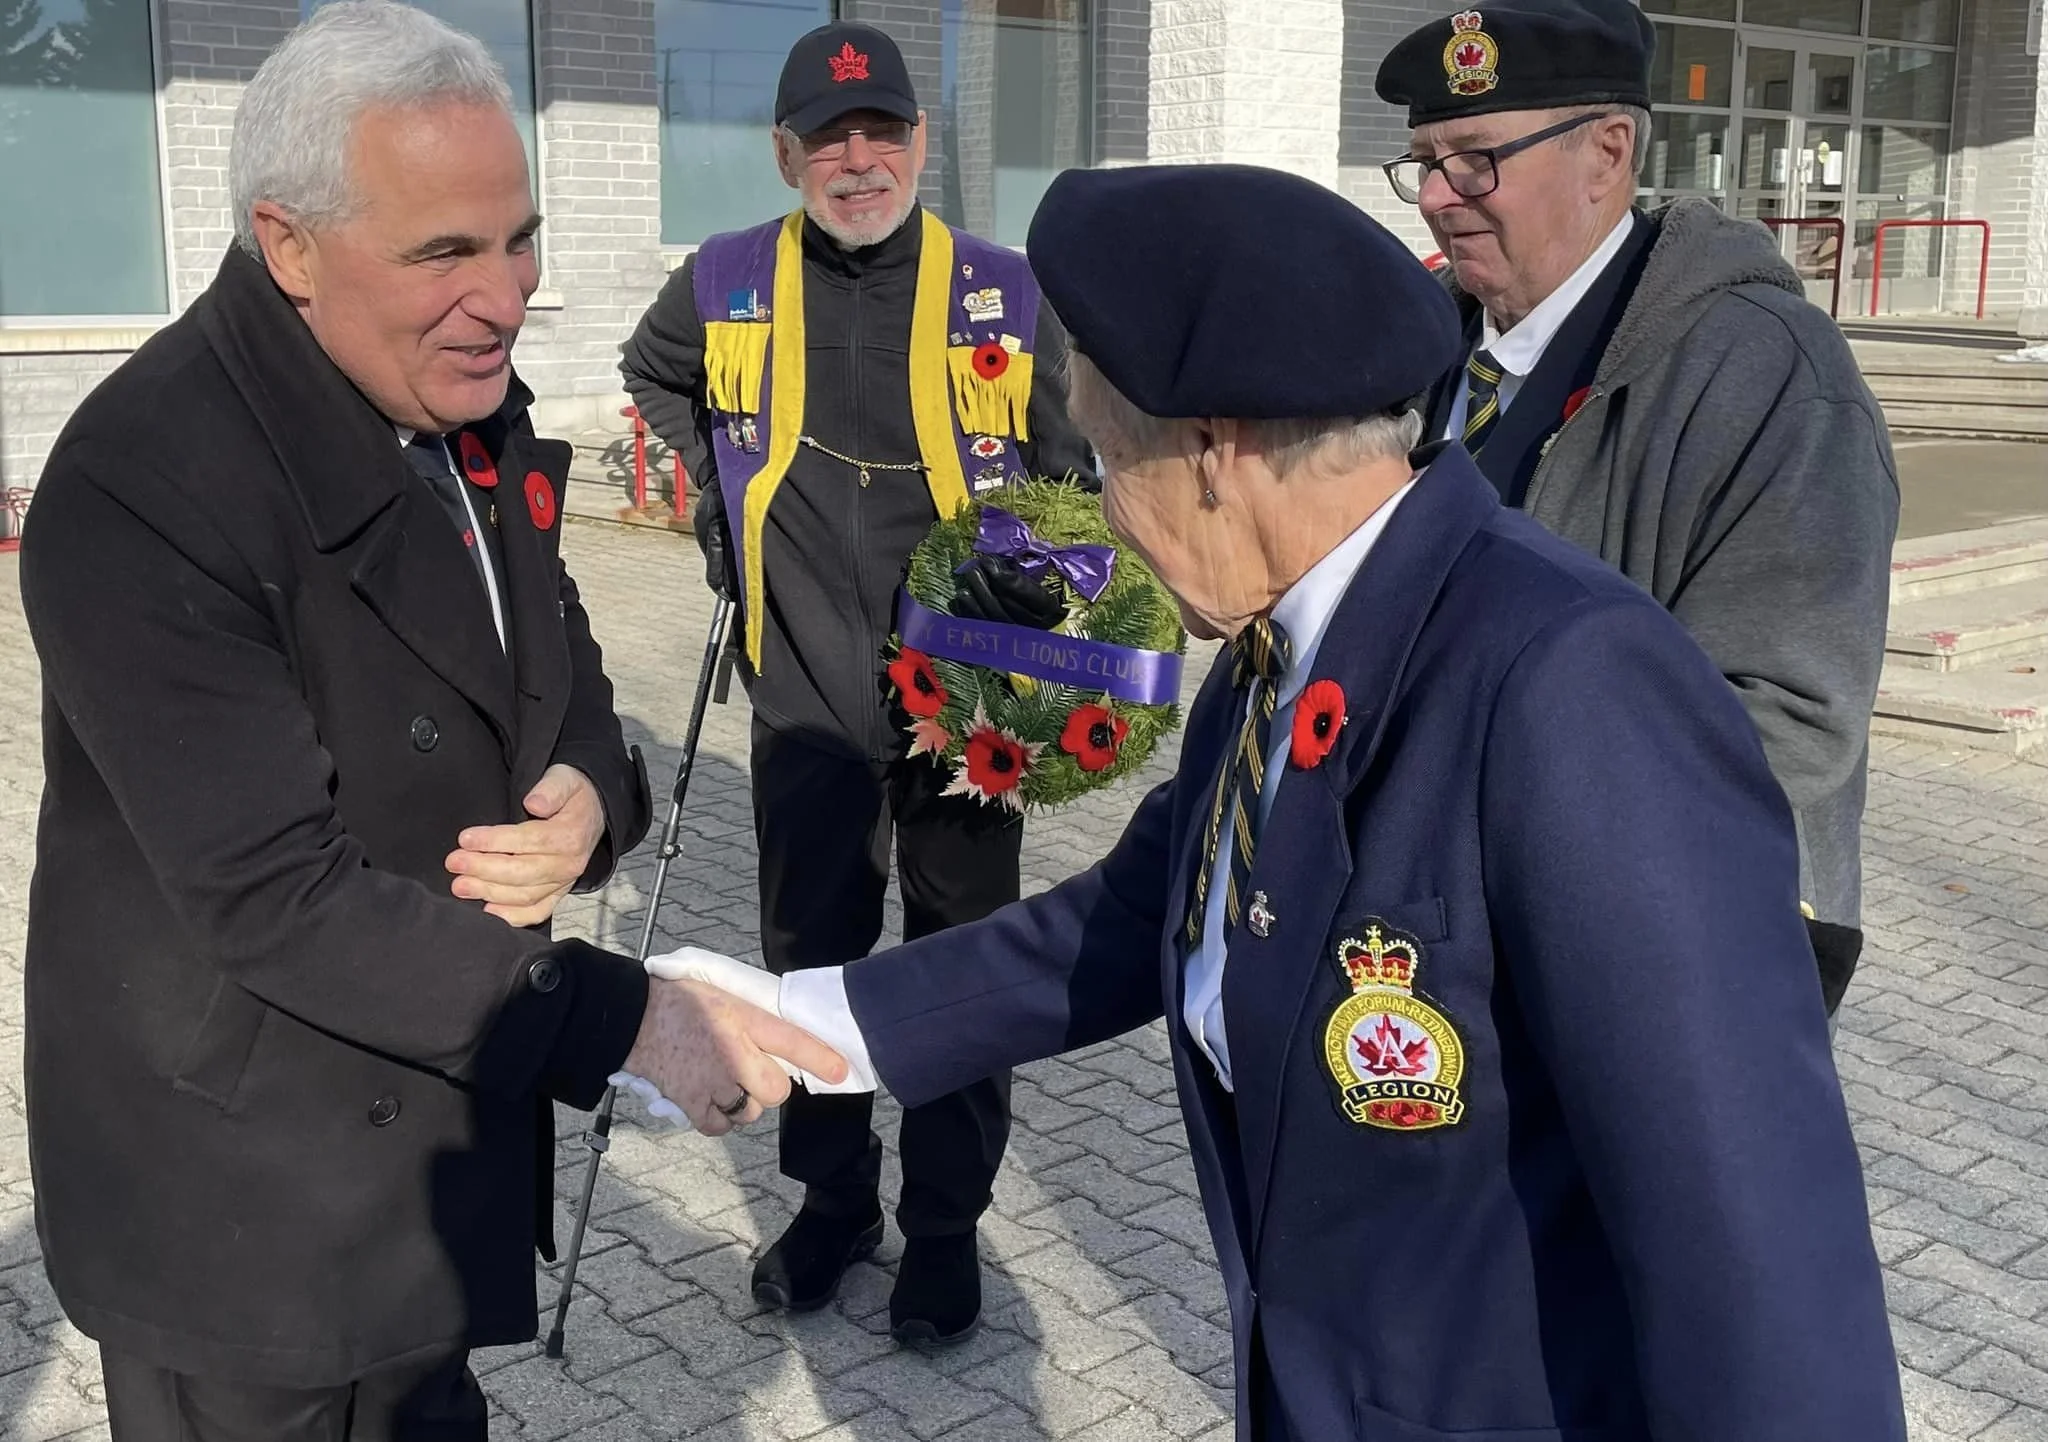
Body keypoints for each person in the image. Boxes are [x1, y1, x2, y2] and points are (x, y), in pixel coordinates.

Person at [658, 163, 1909, 1440]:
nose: (1101, 515)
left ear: (1212, 452)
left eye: (1103, 458)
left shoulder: (1568, 679)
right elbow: (1126, 920)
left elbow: (1753, 1242)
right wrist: (791, 1015)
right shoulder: (1288, 641)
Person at [17, 6, 840, 1438]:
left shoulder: (456, 396)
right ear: (288, 247)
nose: (507, 296)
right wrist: (633, 1016)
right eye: (444, 253)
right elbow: (276, 896)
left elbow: (562, 658)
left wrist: (591, 789)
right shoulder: (145, 483)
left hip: (430, 1145)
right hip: (254, 1205)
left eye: (517, 237)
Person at [618, 20, 1095, 1343]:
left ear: (923, 144)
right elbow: (653, 378)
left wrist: (1050, 611)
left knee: (963, 968)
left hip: (970, 705)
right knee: (808, 962)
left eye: (884, 131)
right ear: (786, 155)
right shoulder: (719, 283)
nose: (859, 159)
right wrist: (724, 522)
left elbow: (1072, 465)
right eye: (829, 139)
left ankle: (946, 1228)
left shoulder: (1004, 286)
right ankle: (835, 1207)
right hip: (807, 685)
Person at [1374, 0, 1899, 1016]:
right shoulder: (1422, 348)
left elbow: (1787, 716)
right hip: (1436, 926)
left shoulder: (1768, 374)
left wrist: (1472, 798)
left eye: (1474, 159)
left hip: (1656, 949)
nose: (1437, 198)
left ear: (1606, 153)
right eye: (1423, 163)